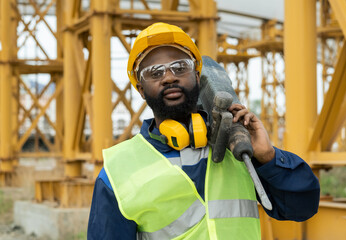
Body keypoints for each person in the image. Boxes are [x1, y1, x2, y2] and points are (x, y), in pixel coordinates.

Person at [87, 22, 320, 240]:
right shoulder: (118, 171)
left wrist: (267, 157)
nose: (169, 77)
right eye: (155, 72)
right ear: (140, 89)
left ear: (197, 76)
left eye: (180, 67)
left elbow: (302, 207)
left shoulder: (237, 146)